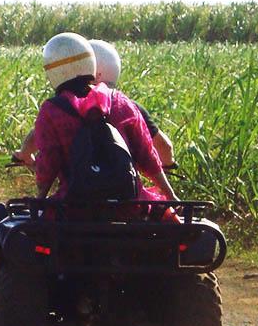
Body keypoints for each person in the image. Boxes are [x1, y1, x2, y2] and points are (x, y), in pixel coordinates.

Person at [30, 32, 178, 202]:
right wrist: (170, 195)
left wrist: (40, 199)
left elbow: (48, 164)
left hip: (75, 209)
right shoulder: (121, 102)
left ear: (53, 72)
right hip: (128, 207)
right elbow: (147, 156)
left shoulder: (52, 110)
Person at [15, 39, 175, 168]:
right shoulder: (128, 106)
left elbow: (37, 136)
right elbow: (165, 148)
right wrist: (165, 165)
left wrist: (24, 154)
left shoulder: (64, 106)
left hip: (75, 197)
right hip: (126, 198)